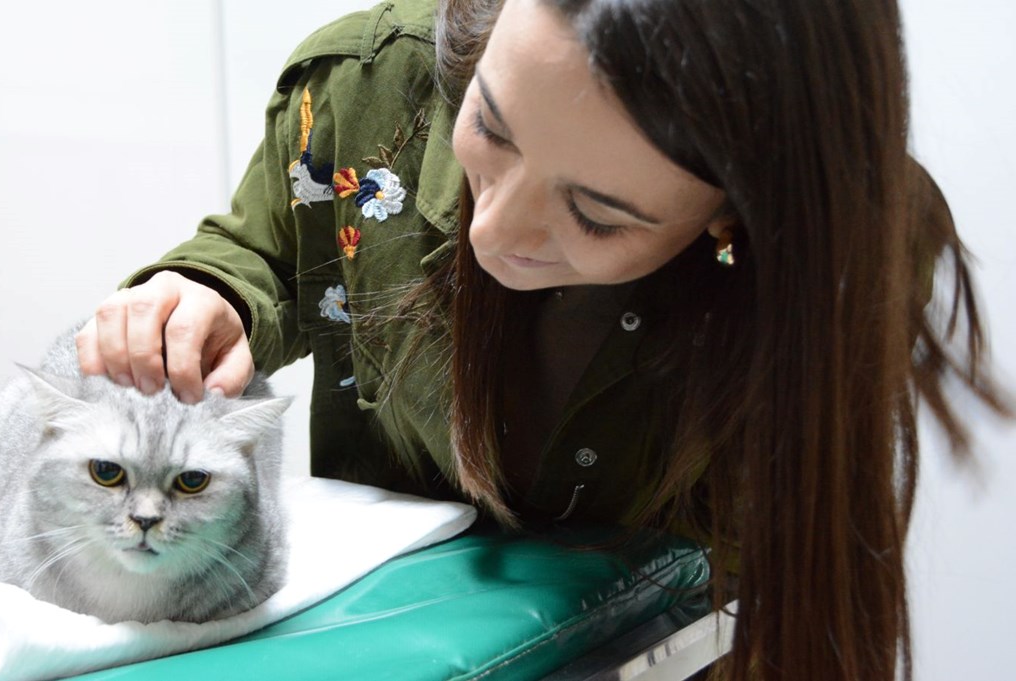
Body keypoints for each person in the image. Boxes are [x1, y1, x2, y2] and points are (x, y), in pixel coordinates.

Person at [75, 0, 1008, 678]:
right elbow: (269, 249)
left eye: (598, 216)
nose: (496, 234)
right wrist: (200, 294)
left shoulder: (834, 257)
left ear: (733, 218)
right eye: (491, 127)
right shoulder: (370, 87)